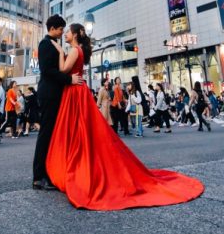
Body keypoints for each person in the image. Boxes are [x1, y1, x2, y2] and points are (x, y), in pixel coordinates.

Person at [44, 23, 203, 209]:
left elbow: (63, 69)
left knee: (76, 127)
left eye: (68, 32)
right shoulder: (80, 50)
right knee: (84, 127)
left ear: (75, 34)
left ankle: (75, 164)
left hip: (74, 91)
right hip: (80, 92)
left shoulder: (73, 50)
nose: (65, 34)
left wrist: (58, 49)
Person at [32, 14, 83, 191]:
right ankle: (38, 177)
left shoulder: (55, 44)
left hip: (55, 94)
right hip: (48, 94)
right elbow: (47, 71)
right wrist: (69, 80)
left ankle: (50, 172)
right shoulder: (46, 44)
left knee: (53, 135)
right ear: (53, 28)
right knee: (46, 134)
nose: (62, 32)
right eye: (61, 29)